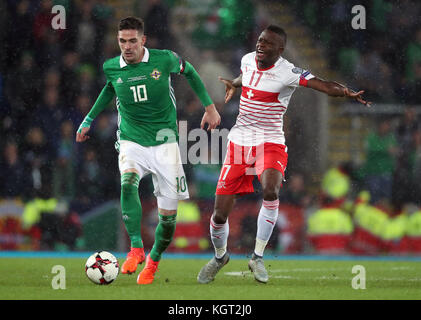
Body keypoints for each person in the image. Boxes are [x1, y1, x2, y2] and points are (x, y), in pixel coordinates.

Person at [197, 25, 370, 284]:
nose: (260, 45)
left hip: (270, 141)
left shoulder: (288, 71)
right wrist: (234, 83)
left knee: (270, 190)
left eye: (267, 43)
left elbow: (321, 84)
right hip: (240, 141)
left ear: (280, 50)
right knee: (219, 214)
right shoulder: (246, 59)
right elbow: (246, 75)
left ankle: (257, 256)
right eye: (259, 40)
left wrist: (345, 91)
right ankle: (220, 257)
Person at [76, 17, 220, 285]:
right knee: (128, 181)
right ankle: (135, 249)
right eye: (122, 41)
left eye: (132, 41)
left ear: (143, 40)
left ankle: (152, 262)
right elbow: (110, 88)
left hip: (165, 143)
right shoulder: (112, 67)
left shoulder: (164, 59)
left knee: (168, 219)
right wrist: (88, 119)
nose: (127, 46)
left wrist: (209, 107)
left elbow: (189, 71)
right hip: (132, 139)